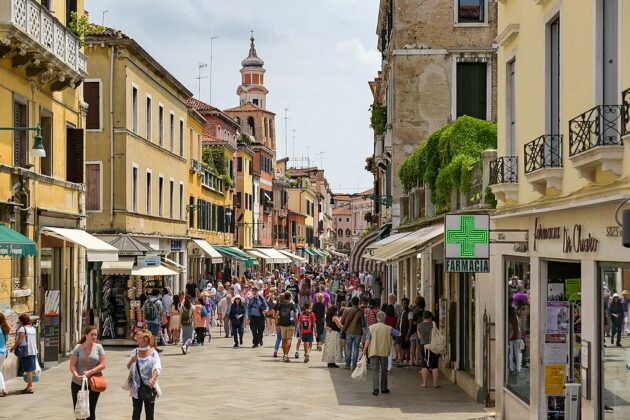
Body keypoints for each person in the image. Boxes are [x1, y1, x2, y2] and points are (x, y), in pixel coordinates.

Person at [70, 326, 106, 420]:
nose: (94, 337)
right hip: (77, 383)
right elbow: (72, 365)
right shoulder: (78, 348)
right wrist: (76, 375)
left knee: (91, 411)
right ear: (86, 335)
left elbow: (103, 364)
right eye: (92, 334)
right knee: (79, 411)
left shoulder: (99, 347)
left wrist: (90, 372)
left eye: (95, 334)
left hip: (93, 383)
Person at [362, 311, 401, 395]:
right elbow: (398, 333)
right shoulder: (389, 328)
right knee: (384, 370)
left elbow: (368, 339)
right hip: (384, 351)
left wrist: (364, 350)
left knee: (375, 370)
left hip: (374, 351)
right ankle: (384, 388)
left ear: (377, 318)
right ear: (385, 318)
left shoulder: (371, 328)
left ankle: (375, 389)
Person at [126, 331, 161, 420]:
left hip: (149, 386)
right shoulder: (135, 351)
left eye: (140, 338)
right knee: (136, 411)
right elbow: (128, 366)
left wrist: (153, 378)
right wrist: (132, 361)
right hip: (136, 387)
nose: (137, 340)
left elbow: (157, 367)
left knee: (149, 412)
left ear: (146, 340)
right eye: (137, 338)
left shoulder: (153, 353)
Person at [10, 314, 38, 394]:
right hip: (32, 350)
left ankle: (29, 387)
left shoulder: (22, 328)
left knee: (28, 370)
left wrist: (13, 347)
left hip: (26, 351)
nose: (18, 322)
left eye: (19, 320)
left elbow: (20, 340)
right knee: (29, 370)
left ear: (22, 321)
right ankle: (29, 386)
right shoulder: (32, 328)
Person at [341, 296, 365, 370]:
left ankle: (347, 365)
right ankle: (354, 365)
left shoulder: (346, 310)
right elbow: (363, 324)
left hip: (349, 331)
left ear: (351, 302)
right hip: (357, 332)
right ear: (358, 302)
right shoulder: (360, 311)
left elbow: (342, 321)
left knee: (349, 348)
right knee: (356, 348)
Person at [418, 311, 440, 388]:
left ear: (423, 317)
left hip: (424, 346)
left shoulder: (420, 325)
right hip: (434, 346)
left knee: (424, 365)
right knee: (435, 365)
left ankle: (425, 383)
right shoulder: (434, 325)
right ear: (430, 317)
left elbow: (420, 337)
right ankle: (435, 384)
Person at [276, 291, 298, 362]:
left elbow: (277, 314)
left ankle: (284, 355)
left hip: (282, 324)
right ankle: (286, 355)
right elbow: (295, 314)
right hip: (289, 323)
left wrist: (277, 322)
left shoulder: (280, 304)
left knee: (283, 339)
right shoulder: (292, 304)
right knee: (289, 339)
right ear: (289, 297)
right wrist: (296, 323)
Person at [0, 313, 10, 397]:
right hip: (3, 353)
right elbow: (6, 341)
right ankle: (3, 389)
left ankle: (2, 389)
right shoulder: (5, 329)